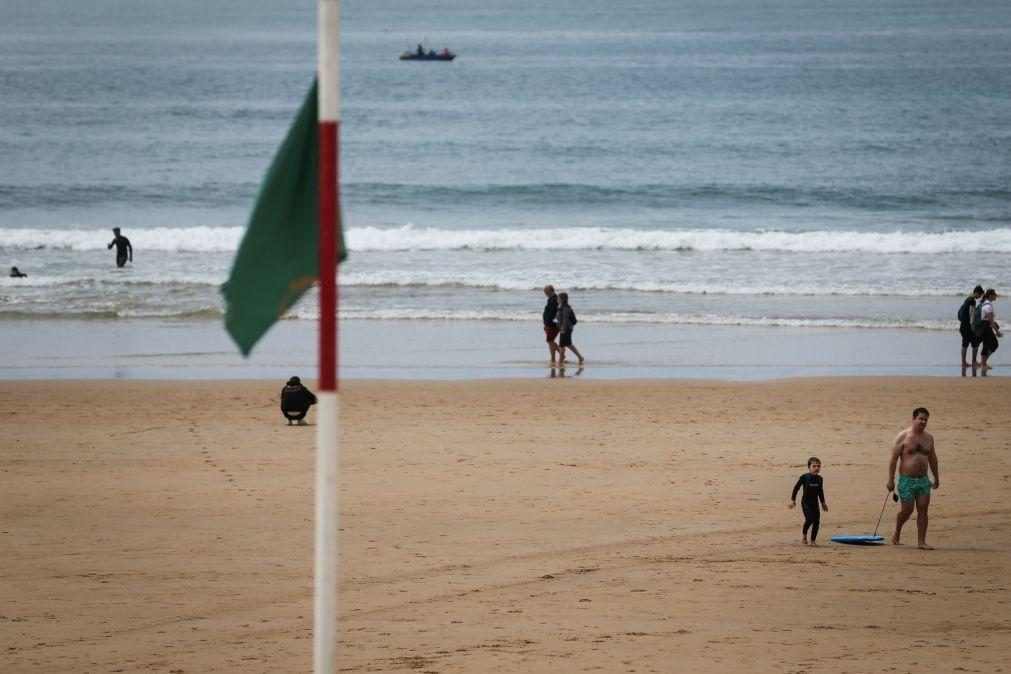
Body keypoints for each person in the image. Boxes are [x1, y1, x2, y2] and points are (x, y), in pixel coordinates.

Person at [886, 407, 939, 550]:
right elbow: (893, 460)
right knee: (907, 511)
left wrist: (936, 477)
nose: (923, 421)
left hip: (923, 480)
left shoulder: (929, 438)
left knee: (923, 510)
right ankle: (898, 529)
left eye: (925, 419)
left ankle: (921, 542)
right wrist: (891, 480)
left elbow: (933, 459)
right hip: (906, 480)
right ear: (914, 419)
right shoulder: (902, 436)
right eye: (920, 418)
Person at [789, 457, 828, 546]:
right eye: (814, 466)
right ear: (809, 467)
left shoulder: (820, 479)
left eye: (818, 466)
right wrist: (792, 500)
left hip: (815, 504)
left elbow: (820, 491)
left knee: (817, 522)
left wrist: (823, 502)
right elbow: (796, 488)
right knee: (809, 519)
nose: (816, 468)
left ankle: (813, 541)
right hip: (806, 503)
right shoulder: (805, 477)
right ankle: (804, 535)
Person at [959, 285, 984, 369]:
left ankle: (963, 363)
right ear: (977, 292)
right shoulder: (972, 301)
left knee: (965, 344)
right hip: (968, 326)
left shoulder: (967, 299)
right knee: (975, 344)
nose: (979, 297)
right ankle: (974, 361)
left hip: (963, 325)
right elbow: (971, 313)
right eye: (980, 295)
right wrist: (972, 325)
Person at [556, 292, 584, 365]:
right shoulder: (561, 307)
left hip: (566, 328)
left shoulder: (565, 308)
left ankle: (560, 361)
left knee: (561, 345)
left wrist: (563, 329)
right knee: (568, 344)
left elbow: (565, 319)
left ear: (562, 299)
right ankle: (580, 357)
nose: (557, 299)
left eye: (558, 298)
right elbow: (560, 319)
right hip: (565, 328)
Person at [978, 288, 1001, 372]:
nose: (996, 296)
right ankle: (983, 364)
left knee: (990, 345)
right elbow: (991, 321)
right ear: (991, 295)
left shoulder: (986, 304)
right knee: (992, 344)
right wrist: (997, 332)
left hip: (985, 326)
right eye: (995, 294)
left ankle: (983, 363)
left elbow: (989, 320)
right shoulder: (988, 306)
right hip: (986, 327)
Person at [542, 285, 559, 363]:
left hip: (552, 324)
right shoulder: (552, 299)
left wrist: (547, 324)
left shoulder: (553, 300)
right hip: (551, 323)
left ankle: (554, 358)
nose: (545, 293)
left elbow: (551, 314)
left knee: (550, 340)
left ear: (550, 291)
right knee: (550, 341)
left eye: (546, 291)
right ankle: (554, 357)